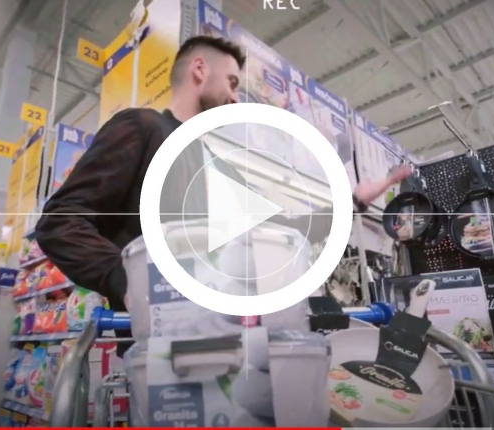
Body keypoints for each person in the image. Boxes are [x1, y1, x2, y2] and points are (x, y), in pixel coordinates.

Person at [34, 35, 412, 356]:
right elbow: (60, 222)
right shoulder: (142, 128)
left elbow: (280, 227)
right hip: (157, 355)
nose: (234, 97)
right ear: (200, 69)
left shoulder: (215, 164)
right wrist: (124, 281)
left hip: (224, 346)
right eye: (231, 83)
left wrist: (353, 202)